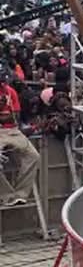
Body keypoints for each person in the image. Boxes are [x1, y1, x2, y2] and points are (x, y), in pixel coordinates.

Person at [0, 67, 39, 206]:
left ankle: (20, 194)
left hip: (13, 130)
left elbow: (15, 116)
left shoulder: (10, 91)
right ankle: (7, 196)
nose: (3, 83)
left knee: (33, 156)